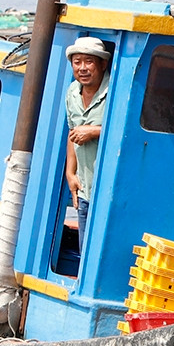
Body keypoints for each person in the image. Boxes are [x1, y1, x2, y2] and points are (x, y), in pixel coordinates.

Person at [63, 36, 111, 238]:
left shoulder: (115, 91)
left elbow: (129, 132)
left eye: (89, 61)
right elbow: (72, 133)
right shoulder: (73, 91)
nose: (82, 68)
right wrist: (70, 173)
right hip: (84, 190)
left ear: (103, 64)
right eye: (77, 62)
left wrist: (93, 131)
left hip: (108, 193)